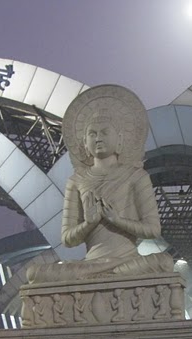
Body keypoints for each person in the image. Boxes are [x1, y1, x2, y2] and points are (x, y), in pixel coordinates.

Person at [26, 85, 173, 284]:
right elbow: (68, 239)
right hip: (91, 263)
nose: (98, 138)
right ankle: (100, 274)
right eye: (92, 134)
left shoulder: (136, 176)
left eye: (104, 132)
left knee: (164, 261)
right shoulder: (76, 180)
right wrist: (89, 223)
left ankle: (99, 276)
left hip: (128, 261)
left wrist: (117, 220)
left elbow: (153, 229)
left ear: (120, 139)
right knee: (34, 273)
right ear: (84, 144)